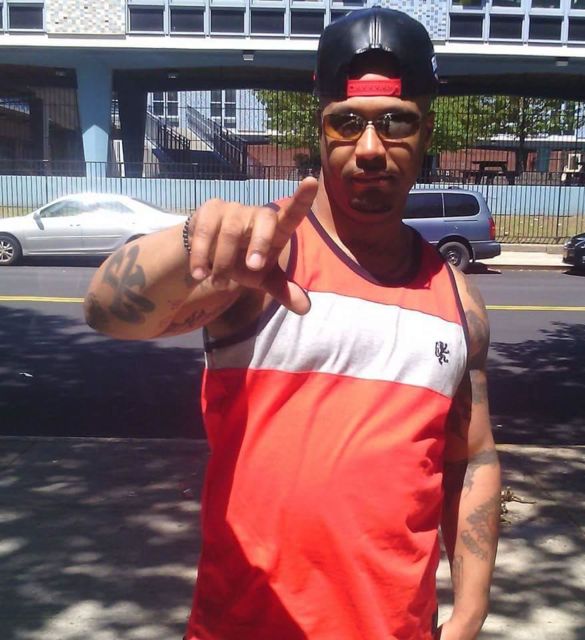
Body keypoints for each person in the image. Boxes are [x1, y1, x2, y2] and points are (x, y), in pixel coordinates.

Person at [84, 7, 501, 639]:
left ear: (426, 132)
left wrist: (470, 609)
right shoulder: (265, 255)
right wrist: (193, 238)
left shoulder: (458, 300)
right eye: (347, 123)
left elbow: (472, 460)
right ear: (321, 128)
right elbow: (106, 312)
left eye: (396, 122)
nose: (369, 149)